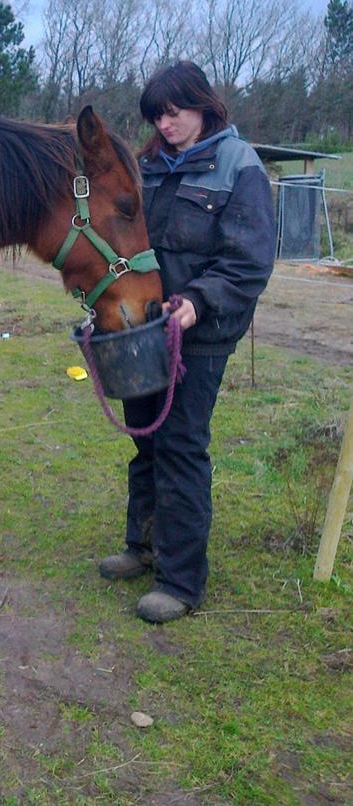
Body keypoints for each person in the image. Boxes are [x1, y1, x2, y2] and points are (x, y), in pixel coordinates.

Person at [98, 61, 276, 623]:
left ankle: (180, 581)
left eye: (174, 112)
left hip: (201, 334)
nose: (166, 124)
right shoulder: (148, 165)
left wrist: (197, 301)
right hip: (144, 327)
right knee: (146, 440)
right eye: (157, 116)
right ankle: (143, 545)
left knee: (180, 445)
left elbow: (249, 261)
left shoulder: (238, 166)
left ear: (202, 105)